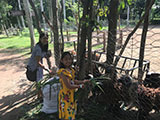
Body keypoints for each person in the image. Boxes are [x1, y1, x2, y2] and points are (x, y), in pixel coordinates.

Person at [57, 51, 89, 120]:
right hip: (65, 95)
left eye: (69, 59)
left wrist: (83, 81)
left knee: (71, 111)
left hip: (71, 94)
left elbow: (73, 81)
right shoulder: (62, 72)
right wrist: (79, 86)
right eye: (66, 59)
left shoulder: (71, 70)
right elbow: (68, 85)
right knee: (66, 113)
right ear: (62, 61)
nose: (68, 61)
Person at [27, 32, 52, 98]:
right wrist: (47, 69)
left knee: (39, 81)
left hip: (37, 66)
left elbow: (45, 56)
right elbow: (38, 62)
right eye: (44, 38)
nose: (46, 40)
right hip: (34, 67)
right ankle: (41, 97)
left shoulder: (43, 46)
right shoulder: (38, 48)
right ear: (40, 39)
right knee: (39, 82)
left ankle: (39, 96)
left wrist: (48, 54)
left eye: (47, 38)